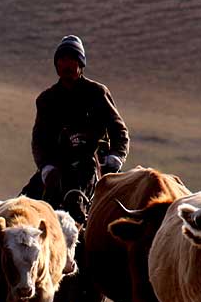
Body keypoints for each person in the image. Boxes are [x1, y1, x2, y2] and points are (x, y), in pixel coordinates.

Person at [23, 35, 129, 212]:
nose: (67, 64)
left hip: (96, 163)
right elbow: (39, 140)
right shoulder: (46, 99)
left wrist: (115, 157)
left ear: (81, 64)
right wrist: (46, 167)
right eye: (62, 59)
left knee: (124, 210)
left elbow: (119, 130)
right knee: (23, 205)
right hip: (59, 166)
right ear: (56, 65)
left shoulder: (97, 93)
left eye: (72, 59)